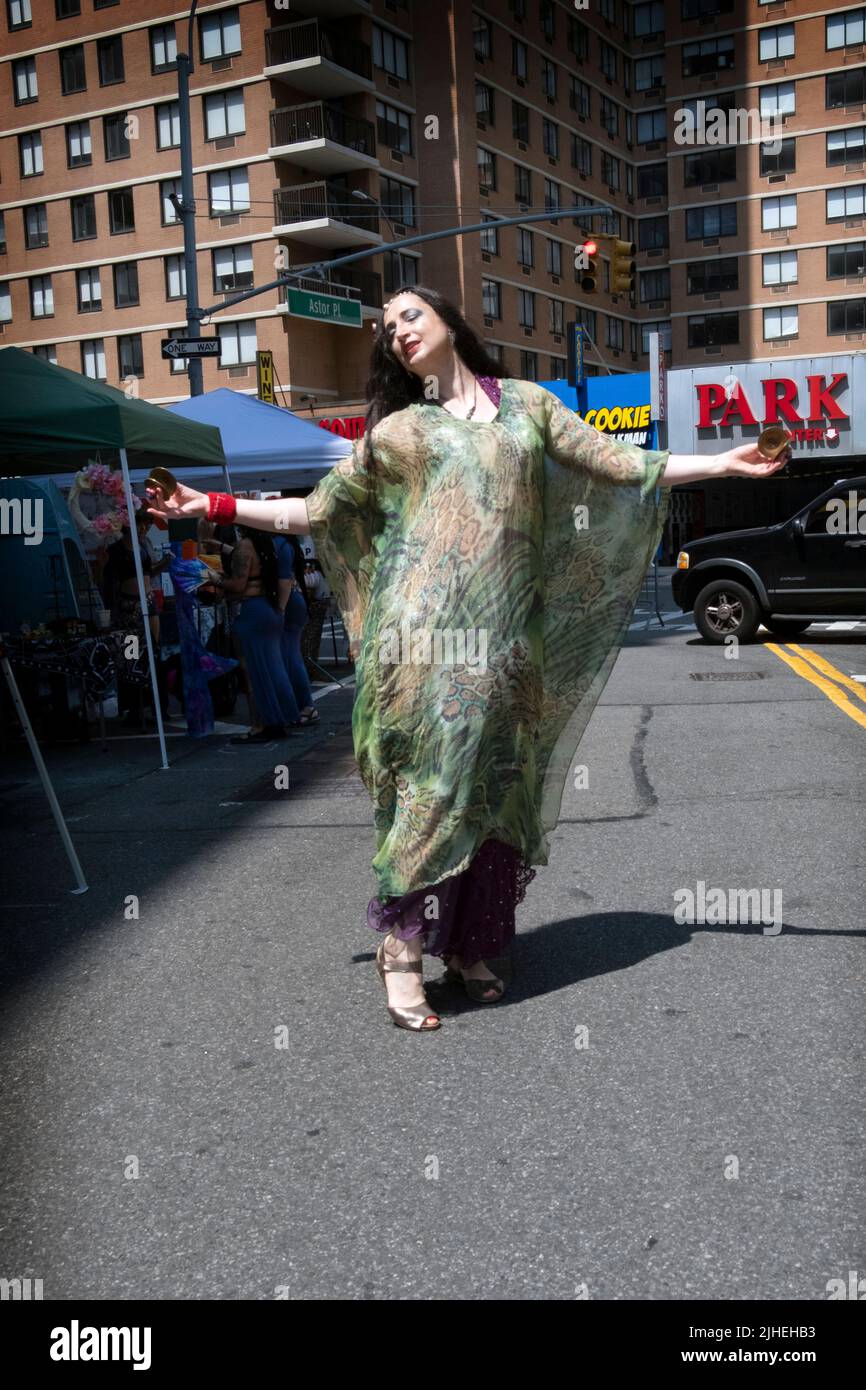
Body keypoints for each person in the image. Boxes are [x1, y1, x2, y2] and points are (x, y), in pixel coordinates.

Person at [147, 285, 791, 1032]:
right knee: (434, 788)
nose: (397, 332)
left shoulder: (526, 406)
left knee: (497, 790)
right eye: (387, 328)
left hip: (510, 642)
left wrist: (723, 464)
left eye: (410, 315)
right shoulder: (399, 433)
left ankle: (468, 946)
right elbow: (316, 509)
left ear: (450, 321)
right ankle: (401, 951)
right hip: (421, 642)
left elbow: (615, 462)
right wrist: (214, 506)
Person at [213, 525, 302, 743]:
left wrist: (214, 578)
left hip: (253, 610)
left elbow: (238, 583)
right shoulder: (268, 544)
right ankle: (281, 718)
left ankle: (265, 724)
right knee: (273, 668)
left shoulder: (245, 546)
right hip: (270, 608)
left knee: (257, 672)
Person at [103, 512, 170, 724]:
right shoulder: (116, 549)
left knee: (153, 652)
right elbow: (108, 580)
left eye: (146, 526)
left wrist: (165, 563)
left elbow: (149, 571)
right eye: (140, 525)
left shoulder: (144, 546)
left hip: (148, 604)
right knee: (131, 655)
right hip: (128, 607)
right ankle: (134, 707)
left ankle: (159, 706)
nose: (143, 529)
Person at [273, 533, 318, 725]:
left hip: (289, 602)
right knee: (290, 654)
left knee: (289, 655)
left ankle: (305, 705)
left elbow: (284, 579)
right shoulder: (287, 543)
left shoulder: (279, 544)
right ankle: (303, 705)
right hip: (294, 601)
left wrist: (280, 609)